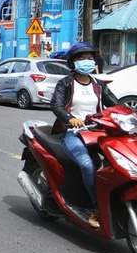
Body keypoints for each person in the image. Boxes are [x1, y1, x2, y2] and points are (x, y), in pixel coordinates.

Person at [50, 42, 118, 229]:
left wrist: (129, 114)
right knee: (88, 165)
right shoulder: (65, 83)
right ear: (72, 62)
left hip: (97, 132)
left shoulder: (98, 84)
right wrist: (70, 118)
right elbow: (56, 106)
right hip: (72, 133)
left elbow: (114, 104)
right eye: (81, 58)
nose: (86, 61)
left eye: (89, 58)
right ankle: (97, 209)